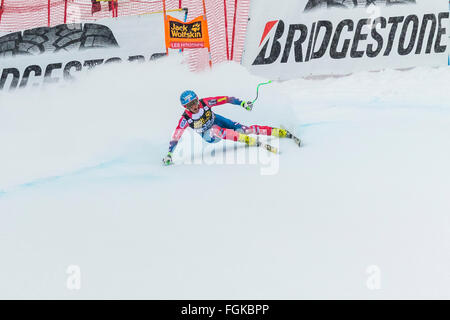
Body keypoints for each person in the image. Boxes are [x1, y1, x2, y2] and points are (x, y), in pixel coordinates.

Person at [162, 90, 293, 166]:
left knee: (246, 129)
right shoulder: (186, 119)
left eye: (194, 102)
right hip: (209, 135)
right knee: (215, 131)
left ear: (197, 100)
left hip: (220, 121)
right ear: (186, 107)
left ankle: (278, 131)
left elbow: (226, 99)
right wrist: (169, 154)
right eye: (190, 105)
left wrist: (242, 103)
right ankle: (245, 139)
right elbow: (176, 136)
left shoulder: (205, 102)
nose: (195, 106)